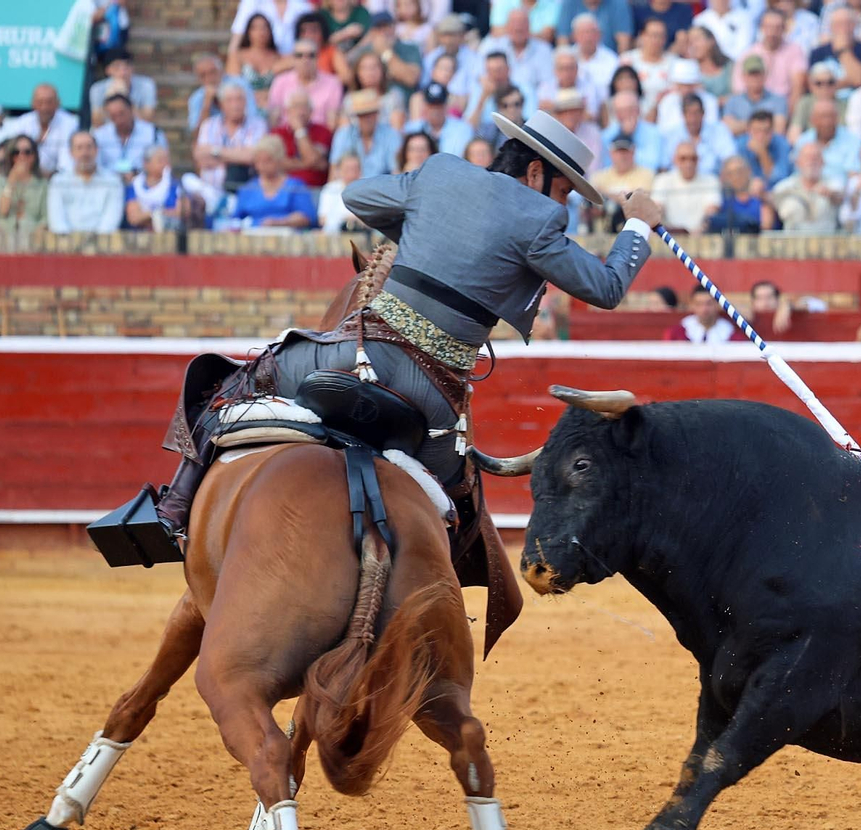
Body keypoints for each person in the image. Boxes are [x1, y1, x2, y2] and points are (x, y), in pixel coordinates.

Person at [144, 108, 664, 550]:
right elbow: (608, 286)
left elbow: (357, 197)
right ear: (534, 174)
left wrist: (427, 235)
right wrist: (638, 223)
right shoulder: (538, 220)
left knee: (234, 382)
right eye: (565, 193)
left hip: (346, 356)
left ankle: (173, 509)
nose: (564, 207)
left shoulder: (439, 173)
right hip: (432, 404)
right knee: (458, 515)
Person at [0, 84, 79, 177]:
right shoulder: (22, 122)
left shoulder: (70, 124)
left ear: (58, 103)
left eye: (49, 102)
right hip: (24, 177)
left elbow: (66, 166)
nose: (44, 107)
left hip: (56, 180)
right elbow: (8, 151)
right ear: (33, 103)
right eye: (40, 102)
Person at [48, 132, 126, 235]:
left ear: (96, 150)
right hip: (65, 246)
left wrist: (95, 245)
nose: (84, 153)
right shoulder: (58, 181)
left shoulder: (113, 181)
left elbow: (110, 221)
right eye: (79, 148)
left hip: (102, 246)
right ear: (71, 152)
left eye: (89, 147)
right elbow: (57, 221)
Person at [269, 33, 345, 127]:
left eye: (311, 55)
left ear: (318, 58)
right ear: (293, 58)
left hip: (319, 136)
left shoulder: (333, 84)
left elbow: (332, 123)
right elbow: (274, 119)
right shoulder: (280, 82)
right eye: (299, 55)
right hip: (286, 135)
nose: (305, 60)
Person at [0, 136, 52, 243]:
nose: (21, 156)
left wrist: (35, 234)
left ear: (34, 156)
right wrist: (11, 181)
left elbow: (45, 218)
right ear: (10, 156)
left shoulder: (43, 184)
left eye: (27, 152)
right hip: (3, 237)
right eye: (16, 152)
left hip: (33, 238)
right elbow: (2, 212)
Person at [770, 141, 845, 230]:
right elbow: (772, 200)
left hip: (826, 241)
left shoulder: (833, 184)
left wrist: (831, 195)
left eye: (815, 158)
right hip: (793, 241)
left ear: (823, 162)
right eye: (807, 158)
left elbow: (841, 197)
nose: (811, 161)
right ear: (798, 162)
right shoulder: (784, 186)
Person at [93, 94, 168, 179]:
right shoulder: (98, 136)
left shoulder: (153, 133)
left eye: (122, 114)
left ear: (131, 109)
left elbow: (164, 165)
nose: (119, 120)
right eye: (113, 116)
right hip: (109, 184)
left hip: (143, 182)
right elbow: (96, 166)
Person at [332, 89, 404, 177]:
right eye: (363, 115)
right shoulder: (343, 135)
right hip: (350, 187)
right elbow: (334, 171)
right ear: (357, 116)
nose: (367, 119)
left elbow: (396, 171)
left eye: (371, 113)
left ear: (377, 114)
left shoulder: (391, 135)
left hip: (381, 188)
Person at [651, 142, 722, 232]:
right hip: (669, 235)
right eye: (683, 159)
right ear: (675, 160)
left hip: (701, 236)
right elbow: (658, 209)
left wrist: (699, 232)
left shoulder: (711, 181)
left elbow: (711, 212)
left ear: (698, 160)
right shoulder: (663, 180)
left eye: (693, 159)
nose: (688, 163)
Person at [272, 88, 333, 189]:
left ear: (311, 111)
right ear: (287, 111)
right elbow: (276, 164)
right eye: (296, 106)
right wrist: (308, 164)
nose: (300, 111)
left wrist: (300, 131)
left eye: (304, 107)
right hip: (283, 189)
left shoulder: (323, 131)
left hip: (314, 188)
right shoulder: (277, 133)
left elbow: (311, 158)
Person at [797, 97, 861, 184]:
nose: (826, 122)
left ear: (837, 118)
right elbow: (797, 173)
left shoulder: (853, 141)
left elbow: (853, 175)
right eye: (822, 117)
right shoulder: (803, 141)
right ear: (813, 120)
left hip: (841, 192)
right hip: (808, 190)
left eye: (830, 116)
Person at [88, 48, 159, 123]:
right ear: (108, 70)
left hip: (135, 131)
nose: (123, 73)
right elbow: (97, 123)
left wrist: (126, 99)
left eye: (127, 67)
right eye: (117, 67)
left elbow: (147, 121)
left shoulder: (146, 85)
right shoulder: (97, 88)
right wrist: (109, 99)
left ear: (132, 68)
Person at [406, 82, 475, 158]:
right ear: (424, 106)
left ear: (446, 106)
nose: (435, 110)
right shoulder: (412, 129)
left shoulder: (463, 130)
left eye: (439, 106)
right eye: (431, 106)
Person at [724, 56, 790, 135]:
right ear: (743, 76)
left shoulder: (778, 100)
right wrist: (762, 126)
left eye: (758, 74)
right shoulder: (733, 101)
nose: (755, 78)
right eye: (751, 74)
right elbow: (727, 129)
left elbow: (779, 129)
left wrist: (742, 125)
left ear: (765, 75)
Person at [738, 111, 795, 187]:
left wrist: (762, 153)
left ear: (772, 131)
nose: (761, 136)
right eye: (756, 131)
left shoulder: (782, 145)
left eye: (766, 131)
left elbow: (779, 179)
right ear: (748, 131)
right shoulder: (740, 145)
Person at [664, 286, 742, 341]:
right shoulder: (678, 332)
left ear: (718, 304)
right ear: (692, 305)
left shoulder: (731, 333)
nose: (704, 309)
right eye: (699, 304)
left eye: (709, 304)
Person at [318, 151, 365, 231]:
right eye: (347, 169)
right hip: (333, 233)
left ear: (360, 171)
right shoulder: (329, 189)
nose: (351, 173)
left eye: (354, 169)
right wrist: (344, 220)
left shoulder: (368, 189)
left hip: (361, 233)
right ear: (339, 170)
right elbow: (322, 219)